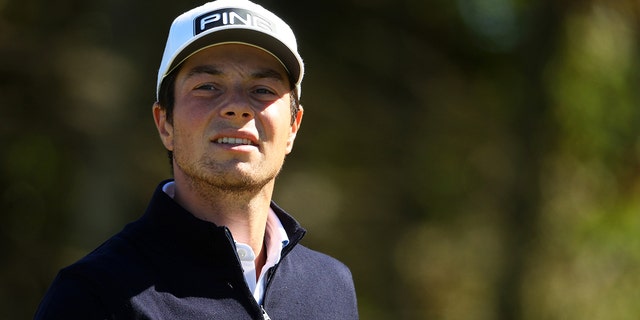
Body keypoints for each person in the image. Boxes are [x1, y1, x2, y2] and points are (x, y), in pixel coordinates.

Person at [34, 0, 359, 319]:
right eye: (207, 86)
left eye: (262, 89)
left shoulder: (331, 286)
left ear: (292, 127)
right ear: (165, 124)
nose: (237, 107)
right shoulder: (95, 294)